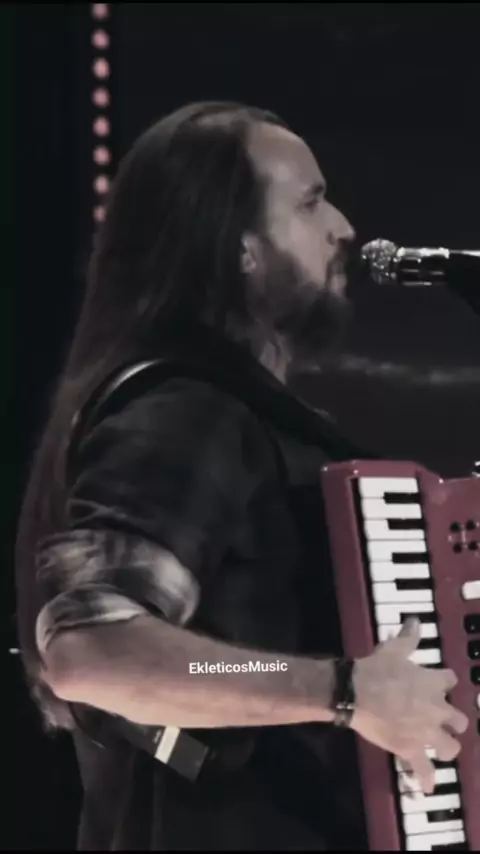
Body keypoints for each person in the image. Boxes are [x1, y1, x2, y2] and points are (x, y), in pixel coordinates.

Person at [15, 101, 468, 850]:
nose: (345, 227)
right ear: (240, 250)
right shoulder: (184, 413)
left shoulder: (240, 417)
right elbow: (93, 652)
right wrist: (342, 690)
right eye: (311, 202)